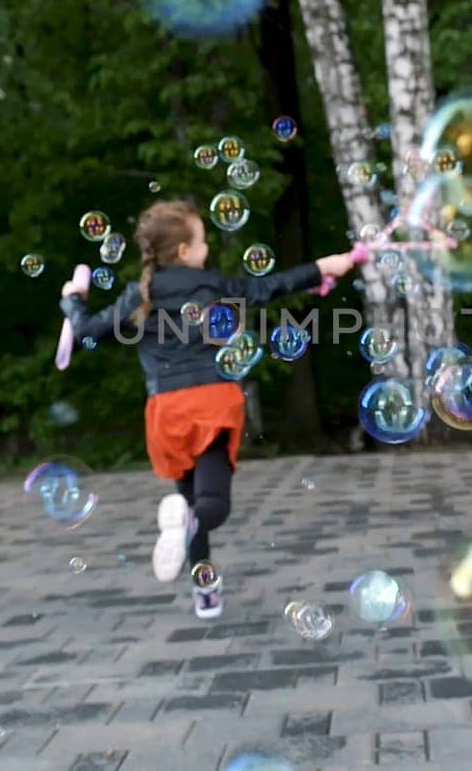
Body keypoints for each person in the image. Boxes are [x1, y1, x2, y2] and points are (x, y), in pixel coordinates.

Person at [59, 199, 356, 619]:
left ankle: (205, 587)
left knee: (187, 505)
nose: (206, 249)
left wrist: (73, 301)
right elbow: (266, 288)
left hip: (166, 409)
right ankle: (196, 551)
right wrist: (321, 267)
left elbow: (88, 331)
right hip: (211, 403)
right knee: (211, 503)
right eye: (201, 241)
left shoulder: (136, 295)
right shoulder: (212, 285)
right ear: (183, 252)